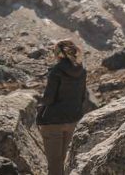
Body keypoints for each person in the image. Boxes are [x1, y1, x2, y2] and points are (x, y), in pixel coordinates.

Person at [36, 40, 88, 175]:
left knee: (54, 164)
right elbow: (83, 97)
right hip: (71, 121)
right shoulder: (82, 70)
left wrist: (38, 101)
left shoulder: (56, 71)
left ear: (58, 54)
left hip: (53, 121)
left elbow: (49, 99)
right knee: (61, 161)